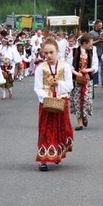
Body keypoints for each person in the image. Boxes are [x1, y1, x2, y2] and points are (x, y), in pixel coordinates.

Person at [34, 38, 74, 171]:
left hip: (61, 101)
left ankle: (56, 153)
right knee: (45, 130)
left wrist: (59, 85)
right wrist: (46, 98)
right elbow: (37, 87)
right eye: (46, 53)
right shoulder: (41, 68)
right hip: (46, 102)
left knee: (60, 128)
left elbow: (70, 85)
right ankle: (43, 159)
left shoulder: (65, 66)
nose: (49, 56)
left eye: (51, 52)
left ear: (57, 51)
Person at [70, 34, 98, 131]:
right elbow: (69, 65)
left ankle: (85, 116)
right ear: (84, 43)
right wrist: (77, 73)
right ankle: (79, 122)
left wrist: (88, 70)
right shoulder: (74, 51)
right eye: (90, 43)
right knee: (77, 100)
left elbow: (95, 65)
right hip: (77, 80)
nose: (91, 45)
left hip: (87, 80)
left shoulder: (92, 52)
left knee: (86, 100)